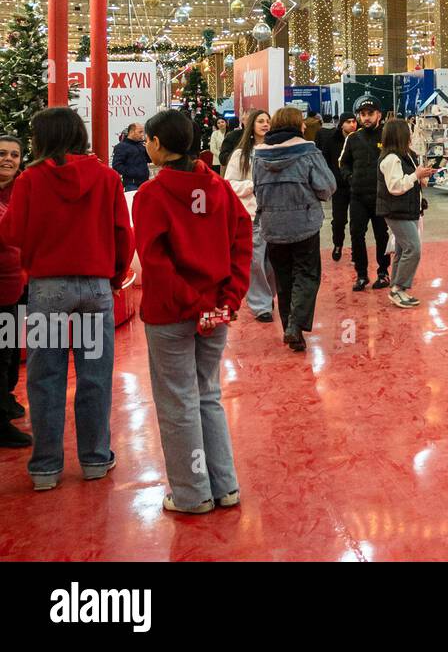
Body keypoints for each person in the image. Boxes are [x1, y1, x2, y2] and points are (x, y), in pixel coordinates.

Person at [0, 107, 133, 491]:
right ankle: (94, 459)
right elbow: (122, 232)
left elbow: (11, 233)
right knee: (94, 376)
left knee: (46, 379)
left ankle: (45, 468)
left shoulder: (30, 180)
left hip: (47, 288)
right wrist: (116, 276)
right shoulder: (107, 178)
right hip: (94, 286)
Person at [133, 110, 251, 514]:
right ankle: (225, 486)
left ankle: (192, 493)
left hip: (172, 314)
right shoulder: (217, 187)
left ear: (157, 144)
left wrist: (195, 304)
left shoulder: (152, 195)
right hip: (215, 309)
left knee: (178, 402)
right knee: (208, 396)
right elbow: (241, 239)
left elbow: (155, 262)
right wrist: (227, 299)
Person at [253, 108, 336, 350]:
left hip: (272, 225)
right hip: (304, 224)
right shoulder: (308, 151)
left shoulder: (259, 155)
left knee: (283, 278)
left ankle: (293, 332)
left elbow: (257, 188)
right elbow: (327, 186)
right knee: (307, 274)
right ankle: (295, 325)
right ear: (296, 125)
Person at [224, 109, 276, 322]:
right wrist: (254, 186)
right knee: (255, 262)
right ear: (251, 125)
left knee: (272, 261)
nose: (265, 124)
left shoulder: (275, 149)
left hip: (275, 214)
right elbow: (230, 184)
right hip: (252, 215)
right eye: (260, 121)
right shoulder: (240, 154)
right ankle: (261, 305)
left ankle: (268, 295)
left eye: (267, 121)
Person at [376, 118, 433, 308]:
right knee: (413, 248)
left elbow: (408, 180)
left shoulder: (406, 155)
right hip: (396, 210)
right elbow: (395, 186)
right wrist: (415, 176)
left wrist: (420, 176)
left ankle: (397, 288)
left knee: (402, 250)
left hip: (407, 209)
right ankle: (398, 288)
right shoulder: (392, 158)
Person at [340, 97, 391, 292]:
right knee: (356, 235)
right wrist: (350, 177)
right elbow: (343, 163)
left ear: (379, 114)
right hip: (358, 197)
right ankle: (361, 275)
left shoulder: (387, 136)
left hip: (381, 196)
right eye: (363, 114)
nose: (366, 117)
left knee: (382, 235)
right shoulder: (352, 138)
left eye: (370, 113)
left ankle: (383, 272)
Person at [0, 134, 28, 449]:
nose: (8, 159)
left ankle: (5, 399)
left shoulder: (21, 188)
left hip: (19, 283)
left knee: (8, 350)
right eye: (2, 154)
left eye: (14, 155)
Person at [316, 113, 356, 262]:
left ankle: (356, 250)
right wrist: (329, 179)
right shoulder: (331, 140)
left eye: (354, 121)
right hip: (338, 186)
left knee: (357, 221)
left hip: (356, 186)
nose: (352, 124)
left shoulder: (359, 139)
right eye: (348, 122)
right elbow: (324, 161)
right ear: (341, 124)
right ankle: (338, 244)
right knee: (339, 220)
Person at [110, 122, 150, 192]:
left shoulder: (141, 145)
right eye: (140, 132)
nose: (142, 135)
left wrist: (149, 149)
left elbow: (149, 160)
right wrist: (134, 172)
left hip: (145, 182)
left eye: (143, 132)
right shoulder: (121, 147)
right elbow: (116, 165)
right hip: (131, 184)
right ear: (131, 132)